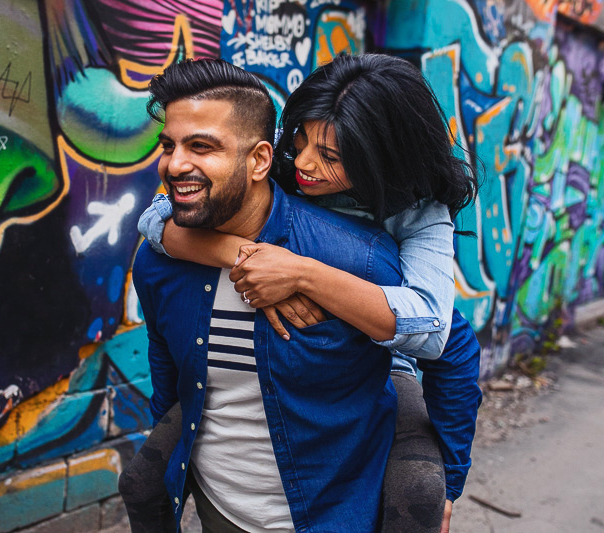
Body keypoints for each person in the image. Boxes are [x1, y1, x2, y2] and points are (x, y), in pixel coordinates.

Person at [122, 55, 482, 532]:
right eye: (301, 141)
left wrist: (303, 275)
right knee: (143, 480)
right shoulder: (280, 175)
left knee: (419, 492)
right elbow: (157, 220)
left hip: (390, 358)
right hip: (235, 487)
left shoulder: (412, 220)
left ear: (380, 160)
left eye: (331, 157)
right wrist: (240, 253)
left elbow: (441, 336)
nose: (308, 163)